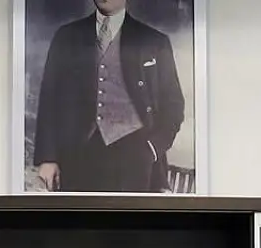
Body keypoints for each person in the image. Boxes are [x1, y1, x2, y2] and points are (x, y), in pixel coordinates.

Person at [32, 0, 186, 193]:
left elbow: (173, 106)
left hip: (136, 162)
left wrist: (152, 149)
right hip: (77, 158)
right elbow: (49, 100)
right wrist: (48, 158)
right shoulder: (66, 37)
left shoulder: (154, 41)